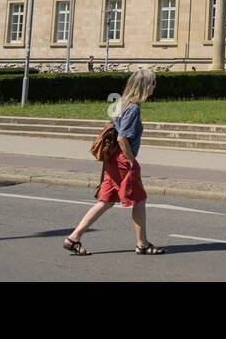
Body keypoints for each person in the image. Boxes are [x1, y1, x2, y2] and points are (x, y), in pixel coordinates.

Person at [63, 68, 165, 256]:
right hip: (121, 160)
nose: (154, 86)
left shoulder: (122, 103)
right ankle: (142, 244)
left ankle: (73, 238)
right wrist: (132, 161)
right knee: (139, 200)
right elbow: (122, 138)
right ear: (144, 86)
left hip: (111, 159)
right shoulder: (133, 108)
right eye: (152, 83)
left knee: (107, 200)